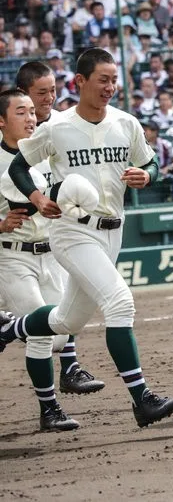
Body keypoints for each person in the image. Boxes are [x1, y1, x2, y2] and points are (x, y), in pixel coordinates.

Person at [0, 49, 173, 428]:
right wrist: (37, 197)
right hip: (72, 232)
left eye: (114, 80)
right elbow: (20, 164)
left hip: (112, 231)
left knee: (66, 322)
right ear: (80, 82)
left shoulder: (126, 123)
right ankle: (142, 399)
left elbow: (152, 164)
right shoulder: (56, 127)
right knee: (120, 302)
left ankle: (11, 328)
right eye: (103, 79)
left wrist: (148, 175)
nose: (110, 87)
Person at [0, 89, 105, 432]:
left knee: (61, 332)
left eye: (32, 111)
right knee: (44, 335)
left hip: (50, 255)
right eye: (21, 112)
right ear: (2, 120)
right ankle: (49, 410)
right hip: (13, 259)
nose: (31, 118)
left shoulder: (42, 155)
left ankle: (6, 328)